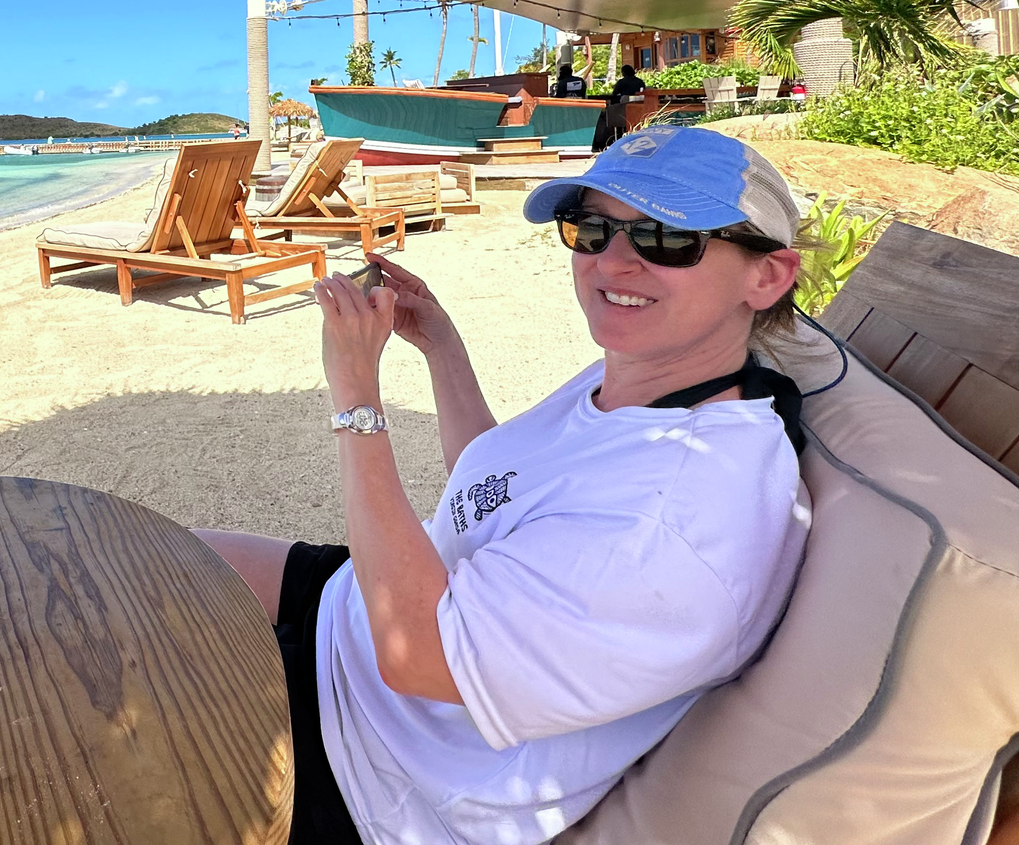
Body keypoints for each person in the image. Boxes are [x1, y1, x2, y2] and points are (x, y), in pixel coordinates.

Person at [197, 126, 810, 845]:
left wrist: (356, 396)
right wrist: (440, 345)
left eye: (666, 240)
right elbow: (500, 482)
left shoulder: (675, 519)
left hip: (374, 765)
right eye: (592, 230)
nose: (615, 263)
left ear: (767, 276)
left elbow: (415, 657)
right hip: (361, 616)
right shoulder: (661, 377)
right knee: (150, 565)